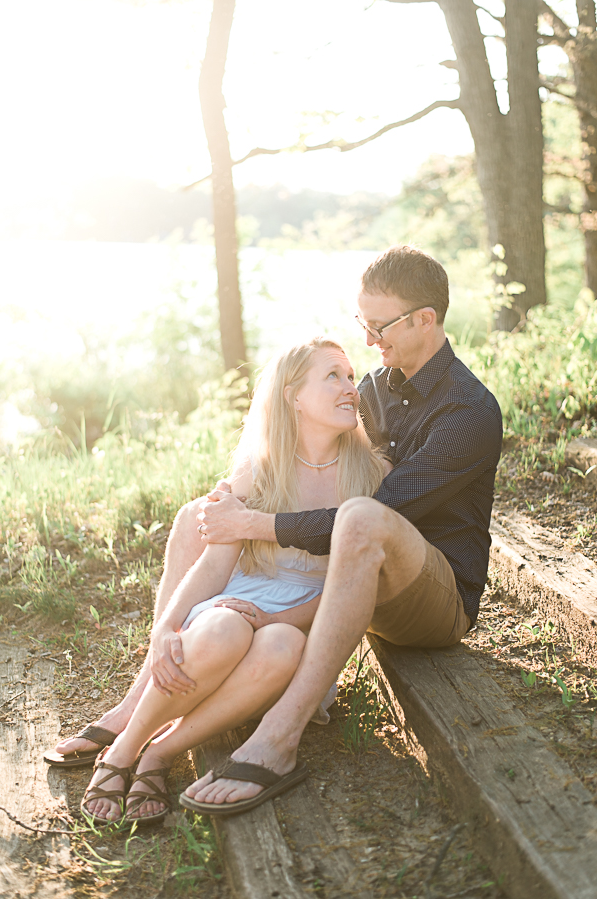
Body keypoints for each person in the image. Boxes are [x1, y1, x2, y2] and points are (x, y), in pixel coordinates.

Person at [48, 244, 502, 818]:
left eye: (379, 326)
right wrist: (234, 501)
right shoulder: (377, 388)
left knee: (360, 517)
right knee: (199, 514)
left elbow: (380, 510)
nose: (368, 341)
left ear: (425, 320)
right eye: (363, 323)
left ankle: (279, 739)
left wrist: (258, 525)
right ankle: (137, 703)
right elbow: (303, 438)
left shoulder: (468, 412)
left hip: (432, 593)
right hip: (357, 576)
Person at [70, 337, 389, 823]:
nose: (351, 388)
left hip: (305, 625)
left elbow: (345, 591)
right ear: (293, 396)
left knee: (282, 645)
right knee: (223, 627)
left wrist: (276, 616)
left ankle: (159, 752)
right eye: (333, 376)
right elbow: (214, 568)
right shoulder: (259, 471)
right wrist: (166, 626)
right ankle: (122, 751)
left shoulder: (372, 475)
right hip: (241, 603)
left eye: (351, 376)